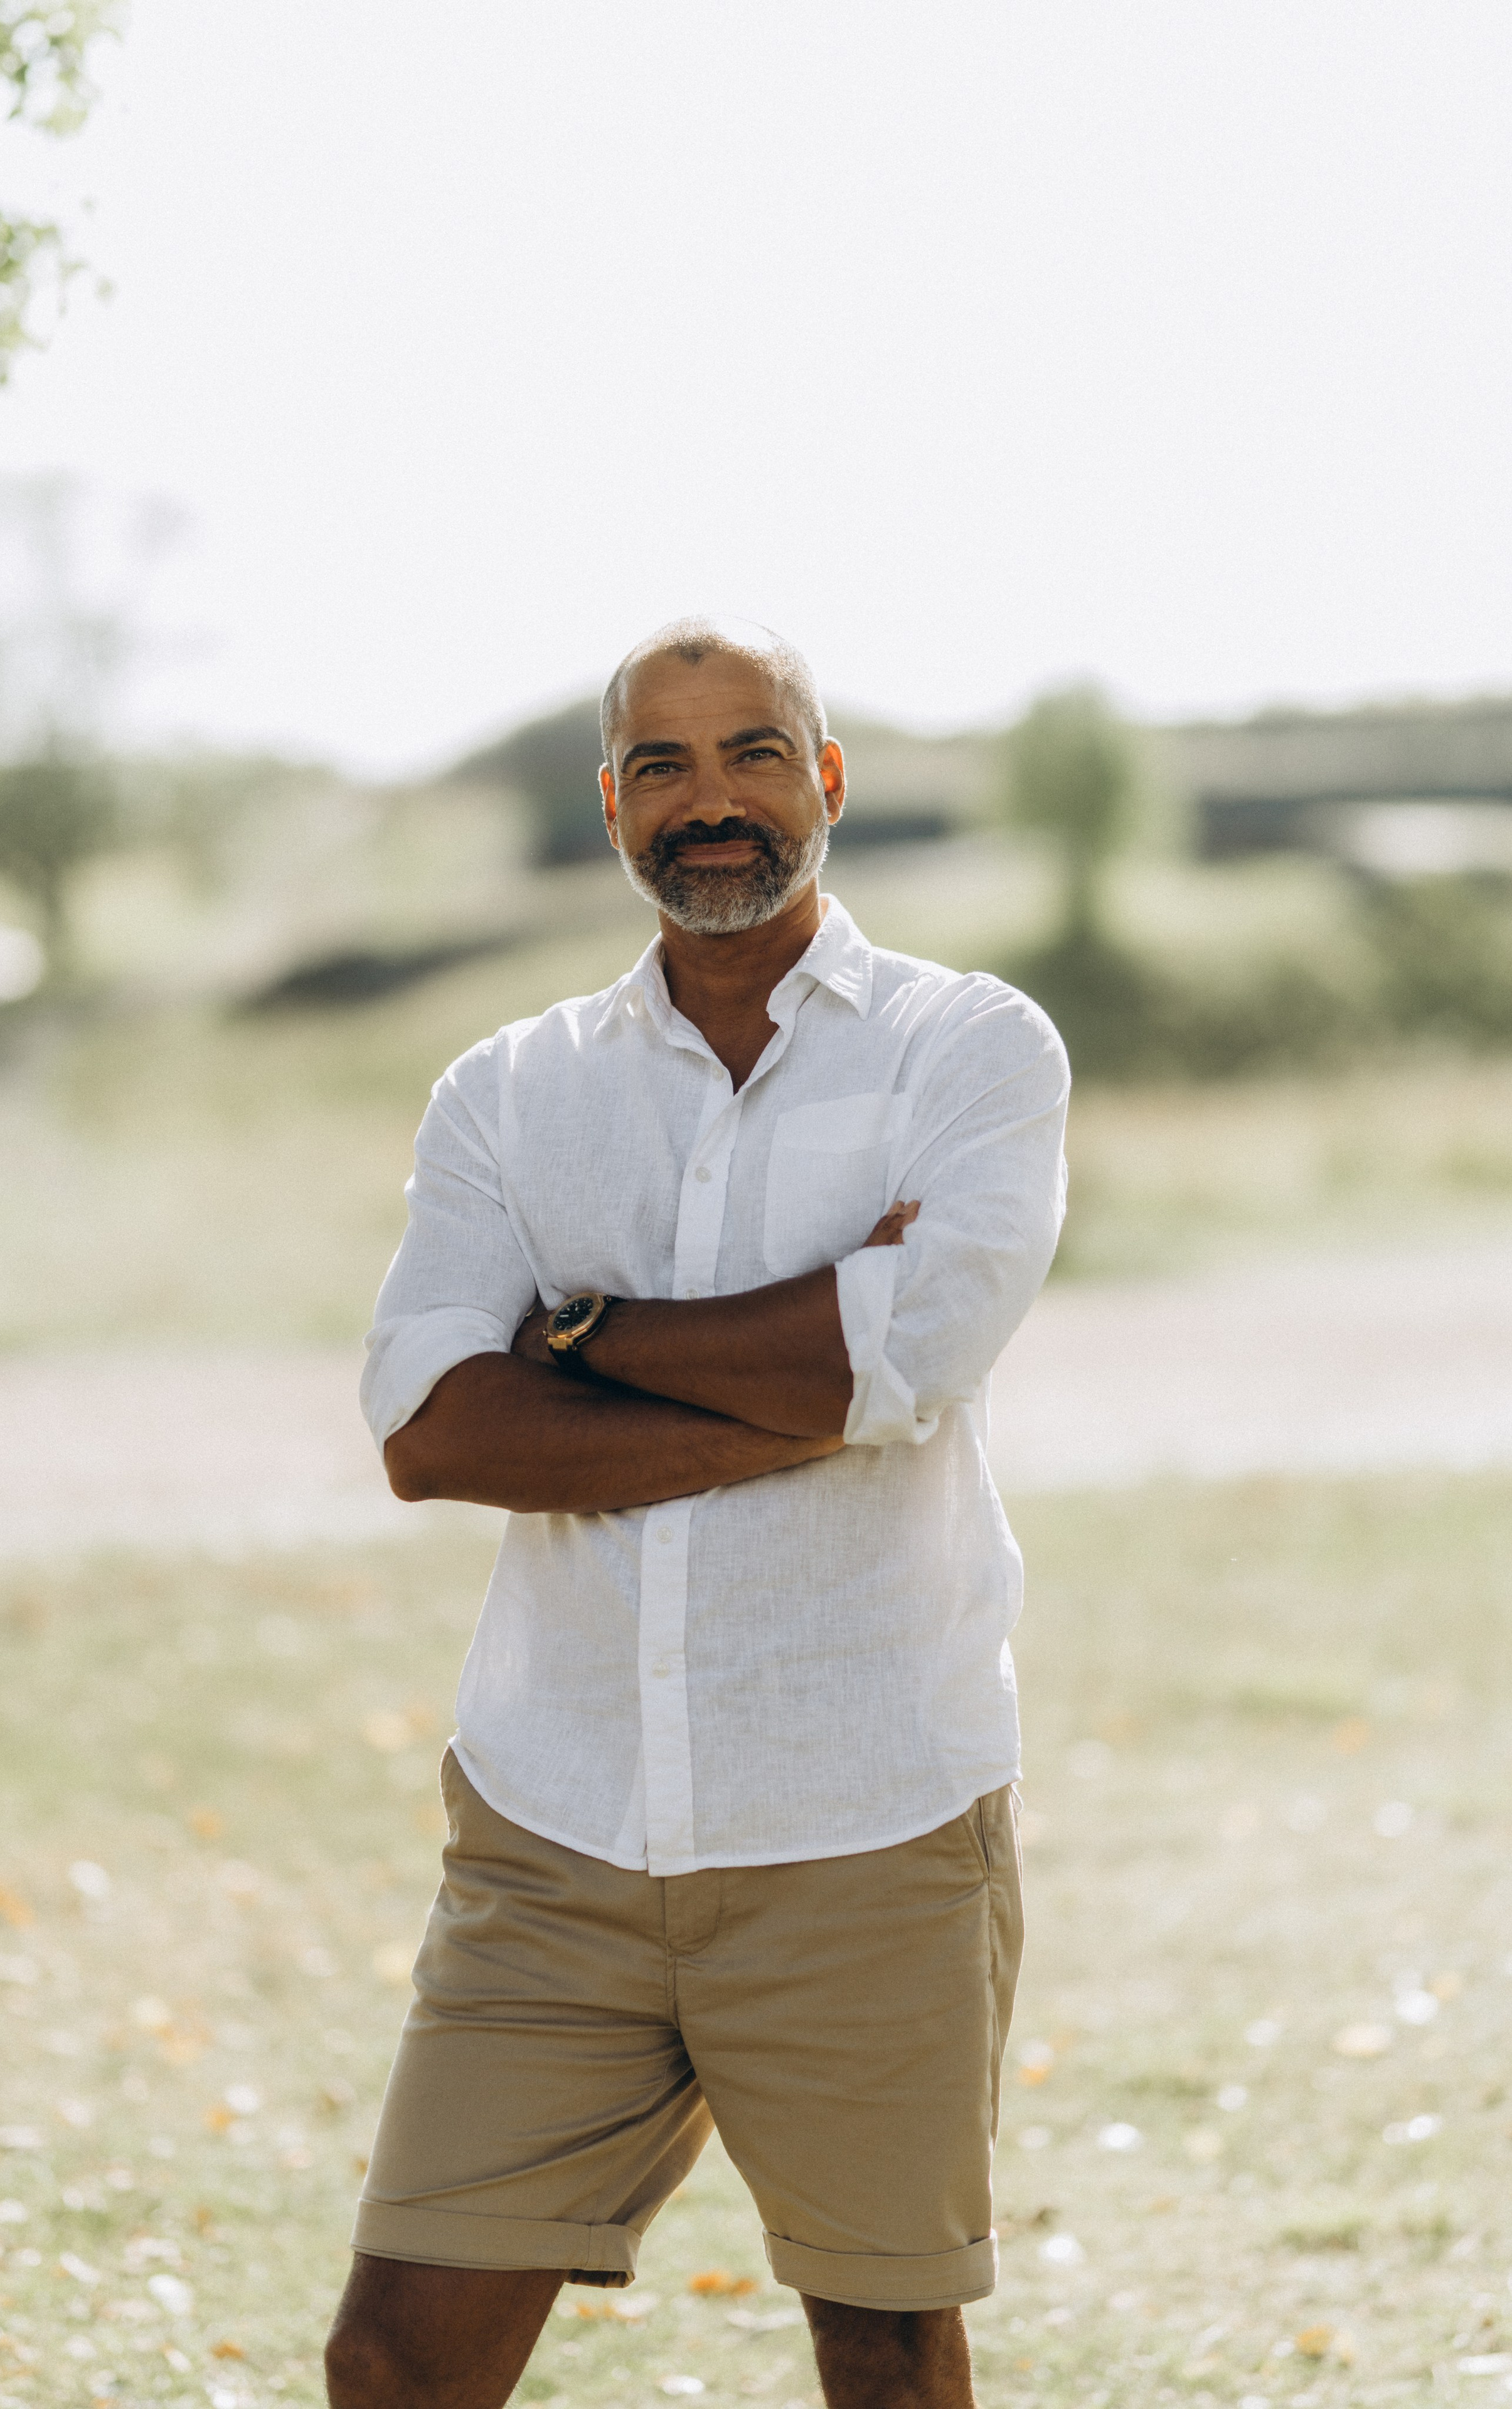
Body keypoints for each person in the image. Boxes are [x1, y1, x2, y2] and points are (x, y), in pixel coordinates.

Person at [325, 617, 1069, 2409]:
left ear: (824, 782)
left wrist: (579, 1340)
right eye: (660, 765)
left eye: (751, 754)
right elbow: (433, 1429)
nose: (708, 801)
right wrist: (817, 1384)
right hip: (553, 1831)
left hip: (865, 1826)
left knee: (887, 2354)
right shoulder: (511, 1092)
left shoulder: (971, 1052)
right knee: (394, 2359)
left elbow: (921, 1351)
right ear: (610, 808)